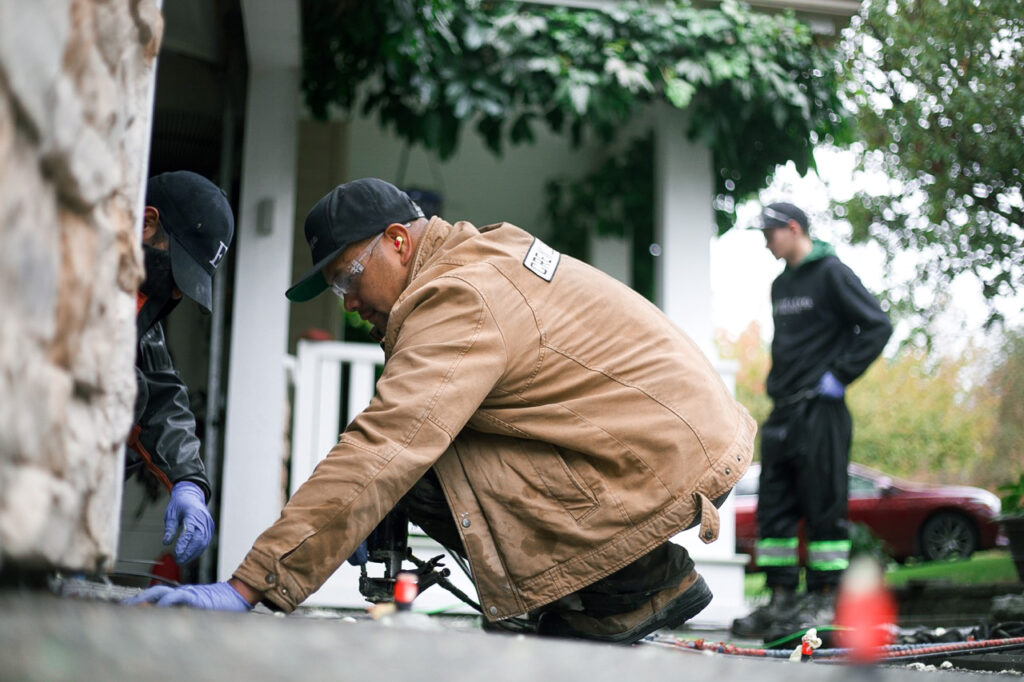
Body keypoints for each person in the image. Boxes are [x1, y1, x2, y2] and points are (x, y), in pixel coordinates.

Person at [127, 178, 755, 645]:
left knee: (412, 461)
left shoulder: (460, 296)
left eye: (347, 279)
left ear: (399, 242)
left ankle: (633, 587)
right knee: (424, 455)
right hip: (660, 448)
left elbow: (384, 446)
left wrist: (247, 586)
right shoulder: (472, 263)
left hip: (658, 463)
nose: (346, 304)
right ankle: (615, 585)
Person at [731, 202, 892, 639]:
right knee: (775, 509)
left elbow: (877, 325)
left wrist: (839, 376)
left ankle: (823, 599)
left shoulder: (832, 274)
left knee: (824, 507)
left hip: (821, 411)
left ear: (794, 228)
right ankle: (781, 600)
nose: (766, 241)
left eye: (770, 233)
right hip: (783, 411)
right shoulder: (781, 285)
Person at [126, 171, 234, 567]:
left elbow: (160, 395)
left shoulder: (138, 308)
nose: (175, 292)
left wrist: (189, 483)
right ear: (147, 223)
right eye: (177, 269)